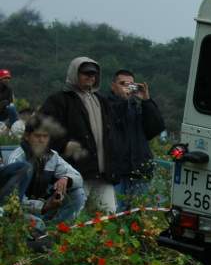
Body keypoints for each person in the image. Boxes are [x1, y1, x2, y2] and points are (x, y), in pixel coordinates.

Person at [41, 57, 116, 213]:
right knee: (73, 217)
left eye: (93, 74)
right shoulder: (59, 100)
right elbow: (43, 129)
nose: (90, 77)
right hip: (74, 172)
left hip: (103, 174)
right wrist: (64, 145)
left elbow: (113, 133)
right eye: (85, 73)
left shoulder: (102, 101)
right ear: (74, 73)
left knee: (109, 215)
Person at [6, 113, 85, 224]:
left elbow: (78, 177)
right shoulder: (17, 159)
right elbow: (12, 198)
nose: (42, 140)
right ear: (27, 136)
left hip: (44, 208)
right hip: (19, 212)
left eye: (45, 136)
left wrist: (66, 179)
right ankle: (43, 230)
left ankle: (58, 228)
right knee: (38, 225)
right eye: (37, 136)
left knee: (78, 193)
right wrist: (43, 206)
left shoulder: (52, 156)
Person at [106, 69, 165, 211]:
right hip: (117, 173)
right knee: (115, 214)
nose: (127, 87)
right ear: (113, 86)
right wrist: (124, 100)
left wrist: (146, 100)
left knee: (138, 216)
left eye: (131, 84)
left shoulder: (138, 107)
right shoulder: (105, 105)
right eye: (123, 83)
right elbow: (114, 121)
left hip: (140, 171)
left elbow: (156, 127)